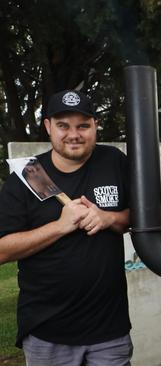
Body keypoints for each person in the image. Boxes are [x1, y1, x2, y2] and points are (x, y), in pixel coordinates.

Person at [0, 90, 132, 365]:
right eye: (63, 126)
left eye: (83, 125)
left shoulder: (114, 162)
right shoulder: (26, 178)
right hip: (47, 334)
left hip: (109, 331)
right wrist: (60, 226)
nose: (74, 134)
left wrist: (109, 218)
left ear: (95, 126)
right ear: (48, 126)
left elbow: (138, 218)